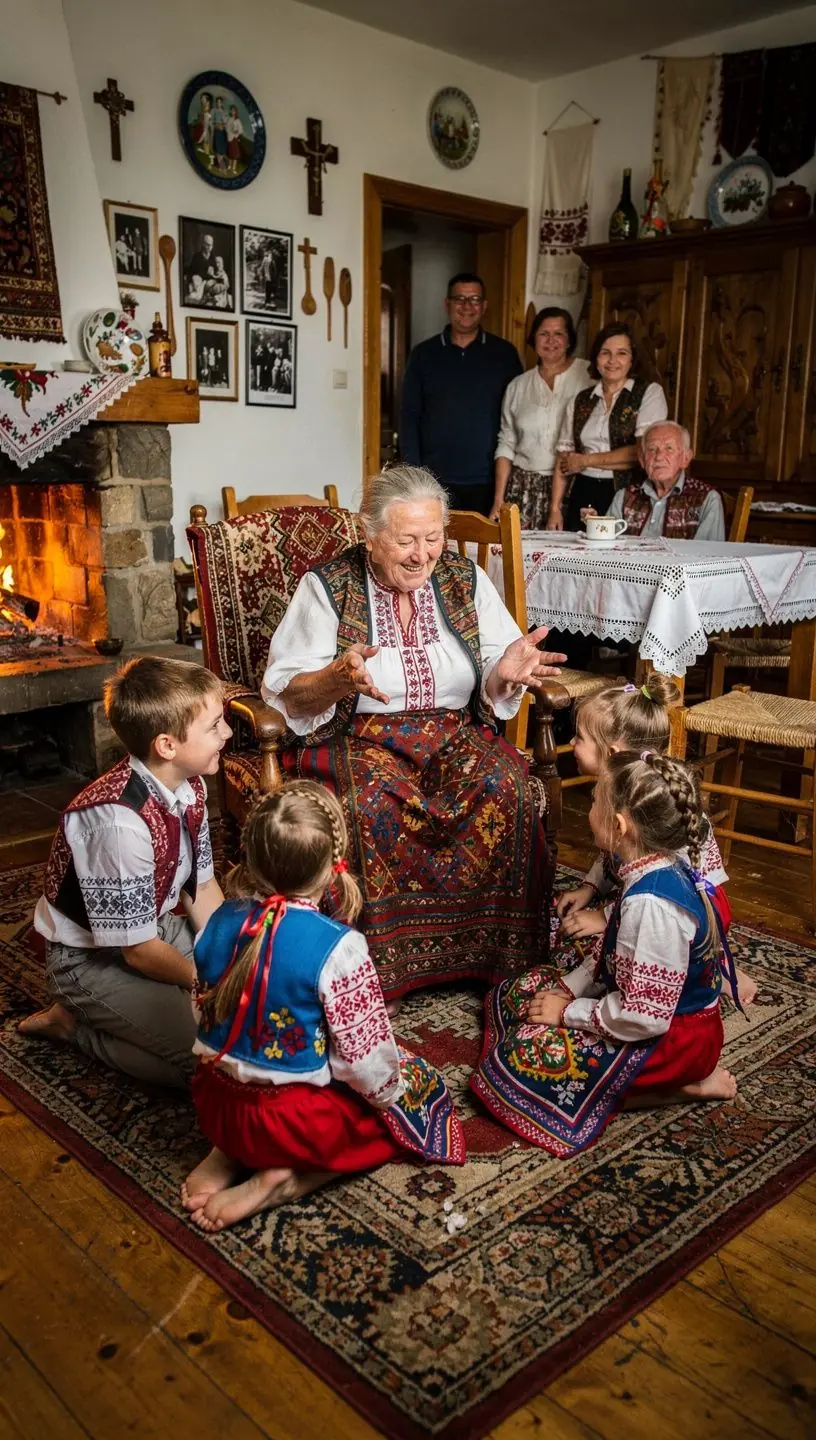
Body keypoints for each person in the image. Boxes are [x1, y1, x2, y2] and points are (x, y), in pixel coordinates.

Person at [262, 464, 565, 1000]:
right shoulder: (326, 586)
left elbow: (495, 667)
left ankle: (500, 958)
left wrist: (506, 671)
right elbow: (288, 691)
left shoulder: (463, 579)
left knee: (507, 787)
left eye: (433, 537)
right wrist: (335, 679)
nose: (423, 554)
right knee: (370, 806)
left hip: (453, 730)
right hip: (359, 736)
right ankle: (369, 971)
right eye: (406, 540)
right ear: (371, 536)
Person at [182, 782, 465, 1232]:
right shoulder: (339, 949)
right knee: (407, 1098)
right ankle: (284, 1178)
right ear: (333, 868)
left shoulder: (218, 921)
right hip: (288, 1124)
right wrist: (390, 1097)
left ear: (251, 859)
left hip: (216, 1104)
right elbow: (364, 1060)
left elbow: (202, 1015)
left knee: (244, 1072)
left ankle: (227, 1150)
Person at [472, 751, 739, 1156]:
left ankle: (681, 1086)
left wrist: (567, 1013)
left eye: (595, 801)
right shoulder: (646, 869)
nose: (589, 808)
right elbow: (613, 955)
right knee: (519, 994)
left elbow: (643, 1017)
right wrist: (569, 988)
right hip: (645, 1016)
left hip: (675, 1042)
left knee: (517, 1062)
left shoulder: (652, 906)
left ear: (619, 826)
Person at [19, 658, 230, 1089]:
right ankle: (74, 1026)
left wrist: (231, 960)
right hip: (90, 958)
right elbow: (136, 951)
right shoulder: (117, 824)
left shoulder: (190, 786)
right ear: (167, 746)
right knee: (209, 1063)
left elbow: (203, 888)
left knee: (250, 1013)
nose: (226, 734)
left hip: (156, 931)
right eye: (214, 726)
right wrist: (206, 983)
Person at [560, 676, 755, 1006]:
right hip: (643, 894)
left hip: (689, 905)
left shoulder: (654, 806)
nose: (571, 742)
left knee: (589, 948)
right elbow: (613, 856)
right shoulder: (623, 792)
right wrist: (590, 889)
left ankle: (713, 963)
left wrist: (605, 918)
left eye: (579, 736)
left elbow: (662, 887)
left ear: (610, 753)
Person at [400, 273, 523, 516]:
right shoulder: (424, 354)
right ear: (447, 304)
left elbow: (518, 416)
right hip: (434, 480)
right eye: (460, 299)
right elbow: (409, 415)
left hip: (490, 480)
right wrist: (414, 472)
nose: (467, 307)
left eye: (475, 299)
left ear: (484, 306)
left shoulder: (505, 354)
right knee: (436, 551)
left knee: (487, 553)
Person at [551, 321, 668, 532]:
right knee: (579, 556)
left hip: (629, 493)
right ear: (596, 358)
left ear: (632, 359)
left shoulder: (649, 393)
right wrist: (554, 508)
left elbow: (643, 452)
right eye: (605, 353)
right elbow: (564, 460)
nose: (612, 360)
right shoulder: (580, 400)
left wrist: (586, 460)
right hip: (583, 490)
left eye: (621, 353)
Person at [491, 308, 590, 528]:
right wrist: (499, 500)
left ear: (569, 339)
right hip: (524, 487)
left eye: (559, 334)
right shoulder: (518, 385)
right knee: (520, 558)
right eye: (544, 333)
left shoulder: (588, 376)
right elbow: (506, 443)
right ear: (533, 338)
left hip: (573, 484)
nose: (551, 340)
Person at [602, 421, 725, 541]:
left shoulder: (707, 499)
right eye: (651, 449)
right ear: (642, 459)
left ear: (685, 458)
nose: (659, 456)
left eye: (669, 448)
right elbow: (605, 547)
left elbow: (707, 556)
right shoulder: (624, 497)